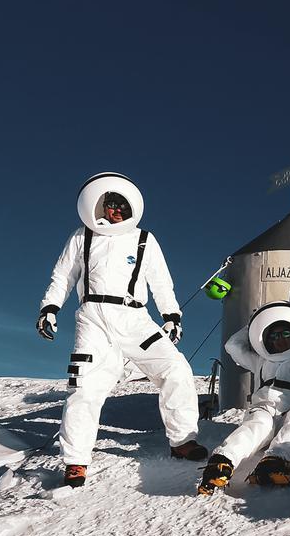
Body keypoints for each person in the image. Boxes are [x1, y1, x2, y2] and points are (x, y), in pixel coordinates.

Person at [37, 172, 205, 488]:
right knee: (84, 389)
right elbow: (62, 277)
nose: (115, 211)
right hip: (93, 320)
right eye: (110, 204)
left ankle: (182, 441)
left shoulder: (144, 240)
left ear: (131, 210)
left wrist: (171, 316)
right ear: (99, 207)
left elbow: (161, 282)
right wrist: (49, 308)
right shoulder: (81, 237)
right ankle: (75, 462)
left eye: (121, 206)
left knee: (176, 369)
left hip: (136, 320)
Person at [197, 302, 290, 495]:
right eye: (274, 335)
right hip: (264, 409)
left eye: (286, 334)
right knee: (256, 425)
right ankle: (222, 463)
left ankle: (276, 460)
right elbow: (233, 346)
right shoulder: (262, 359)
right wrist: (255, 324)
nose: (280, 339)